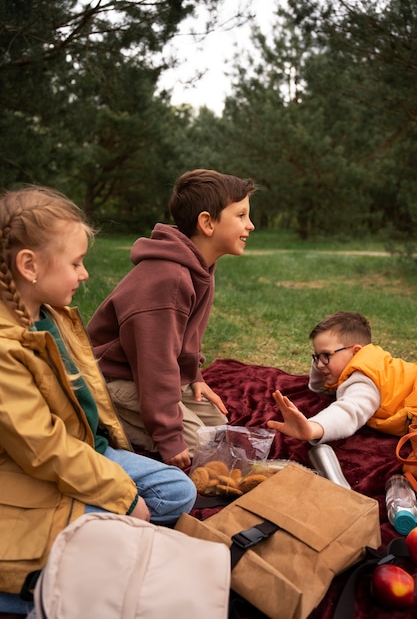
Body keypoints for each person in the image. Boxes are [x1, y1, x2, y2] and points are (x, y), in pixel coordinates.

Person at [0, 186, 196, 615]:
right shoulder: (4, 347)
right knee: (71, 570)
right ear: (29, 265)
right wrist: (122, 496)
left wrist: (115, 478)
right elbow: (42, 448)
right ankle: (33, 587)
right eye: (75, 263)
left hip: (84, 450)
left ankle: (93, 543)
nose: (85, 273)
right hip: (25, 472)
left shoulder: (52, 313)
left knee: (177, 492)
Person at [87, 169, 256, 470]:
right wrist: (168, 437)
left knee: (220, 430)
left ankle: (157, 424)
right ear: (207, 222)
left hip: (145, 376)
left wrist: (194, 377)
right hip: (111, 380)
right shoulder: (168, 278)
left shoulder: (200, 266)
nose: (250, 225)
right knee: (201, 452)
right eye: (241, 216)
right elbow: (155, 365)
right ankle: (109, 429)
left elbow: (185, 341)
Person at [267, 310, 417, 442]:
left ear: (356, 352)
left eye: (326, 355)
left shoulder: (364, 379)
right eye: (317, 357)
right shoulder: (370, 361)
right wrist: (323, 358)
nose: (319, 365)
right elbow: (317, 387)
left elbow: (348, 411)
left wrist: (313, 428)